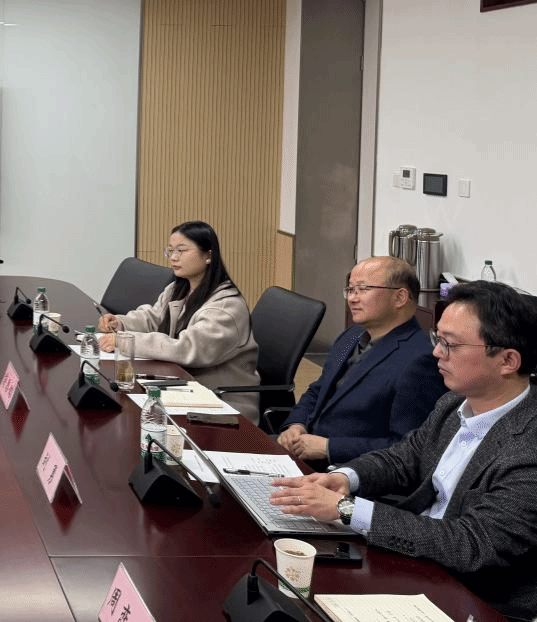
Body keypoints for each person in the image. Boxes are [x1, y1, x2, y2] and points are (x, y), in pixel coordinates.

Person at [271, 281, 537, 621]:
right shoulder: (454, 402)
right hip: (416, 561)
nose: (436, 353)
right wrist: (345, 478)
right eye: (437, 338)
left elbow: (472, 544)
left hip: (476, 596)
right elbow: (405, 457)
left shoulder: (528, 446)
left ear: (508, 360)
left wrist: (347, 509)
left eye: (450, 344)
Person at [277, 255, 446, 466]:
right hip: (304, 451)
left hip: (346, 469)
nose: (352, 298)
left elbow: (408, 448)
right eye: (350, 290)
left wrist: (329, 448)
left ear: (400, 297)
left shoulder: (419, 361)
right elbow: (318, 390)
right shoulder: (351, 336)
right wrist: (296, 425)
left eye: (363, 289)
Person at [96, 220, 259, 421]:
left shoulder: (227, 307)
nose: (173, 257)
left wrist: (126, 341)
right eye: (171, 251)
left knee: (132, 414)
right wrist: (120, 323)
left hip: (221, 402)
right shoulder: (179, 288)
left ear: (208, 255)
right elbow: (153, 317)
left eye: (181, 251)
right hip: (185, 386)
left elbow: (187, 348)